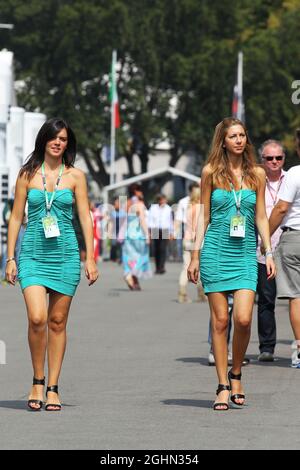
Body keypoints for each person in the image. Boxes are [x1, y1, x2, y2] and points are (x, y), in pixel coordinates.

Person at [6, 117, 99, 411]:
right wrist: (10, 257)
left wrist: (91, 256)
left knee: (57, 322)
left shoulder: (75, 176)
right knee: (37, 318)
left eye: (64, 139)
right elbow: (16, 217)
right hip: (32, 254)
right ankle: (37, 379)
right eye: (54, 137)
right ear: (43, 139)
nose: (59, 142)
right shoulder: (27, 174)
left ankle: (54, 387)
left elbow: (85, 217)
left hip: (66, 255)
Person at [188, 117, 276, 411]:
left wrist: (269, 250)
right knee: (221, 320)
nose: (239, 140)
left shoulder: (257, 174)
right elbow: (204, 215)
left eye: (242, 135)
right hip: (215, 251)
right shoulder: (210, 172)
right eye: (233, 136)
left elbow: (262, 215)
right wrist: (195, 255)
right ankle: (223, 385)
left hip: (244, 256)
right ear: (223, 141)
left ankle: (236, 372)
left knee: (243, 318)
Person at [269, 129, 300, 368]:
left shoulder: (294, 174)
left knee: (296, 297)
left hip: (295, 240)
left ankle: (299, 348)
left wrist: (264, 236)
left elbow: (280, 209)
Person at [256, 140, 286, 362]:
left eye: (278, 158)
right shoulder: (254, 181)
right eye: (269, 158)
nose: (274, 162)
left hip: (289, 247)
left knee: (296, 299)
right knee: (267, 299)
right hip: (263, 249)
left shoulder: (293, 179)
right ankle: (267, 347)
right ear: (262, 160)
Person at [176, 185, 207, 303]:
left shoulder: (189, 208)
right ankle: (201, 293)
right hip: (198, 240)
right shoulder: (202, 208)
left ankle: (182, 292)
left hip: (187, 239)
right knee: (200, 266)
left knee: (186, 267)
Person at [120, 183, 152, 290]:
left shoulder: (126, 204)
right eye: (140, 190)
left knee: (130, 257)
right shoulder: (139, 204)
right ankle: (130, 275)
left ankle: (133, 279)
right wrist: (147, 235)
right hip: (138, 235)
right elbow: (142, 220)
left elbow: (124, 220)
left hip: (128, 234)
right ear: (136, 192)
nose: (141, 192)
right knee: (141, 257)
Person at [148, 194, 174, 274]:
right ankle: (157, 267)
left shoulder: (168, 209)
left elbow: (170, 221)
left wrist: (171, 232)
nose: (163, 201)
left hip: (165, 229)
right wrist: (149, 232)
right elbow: (150, 219)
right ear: (158, 200)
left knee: (163, 249)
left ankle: (162, 267)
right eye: (161, 200)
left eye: (164, 200)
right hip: (155, 229)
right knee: (156, 249)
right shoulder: (153, 208)